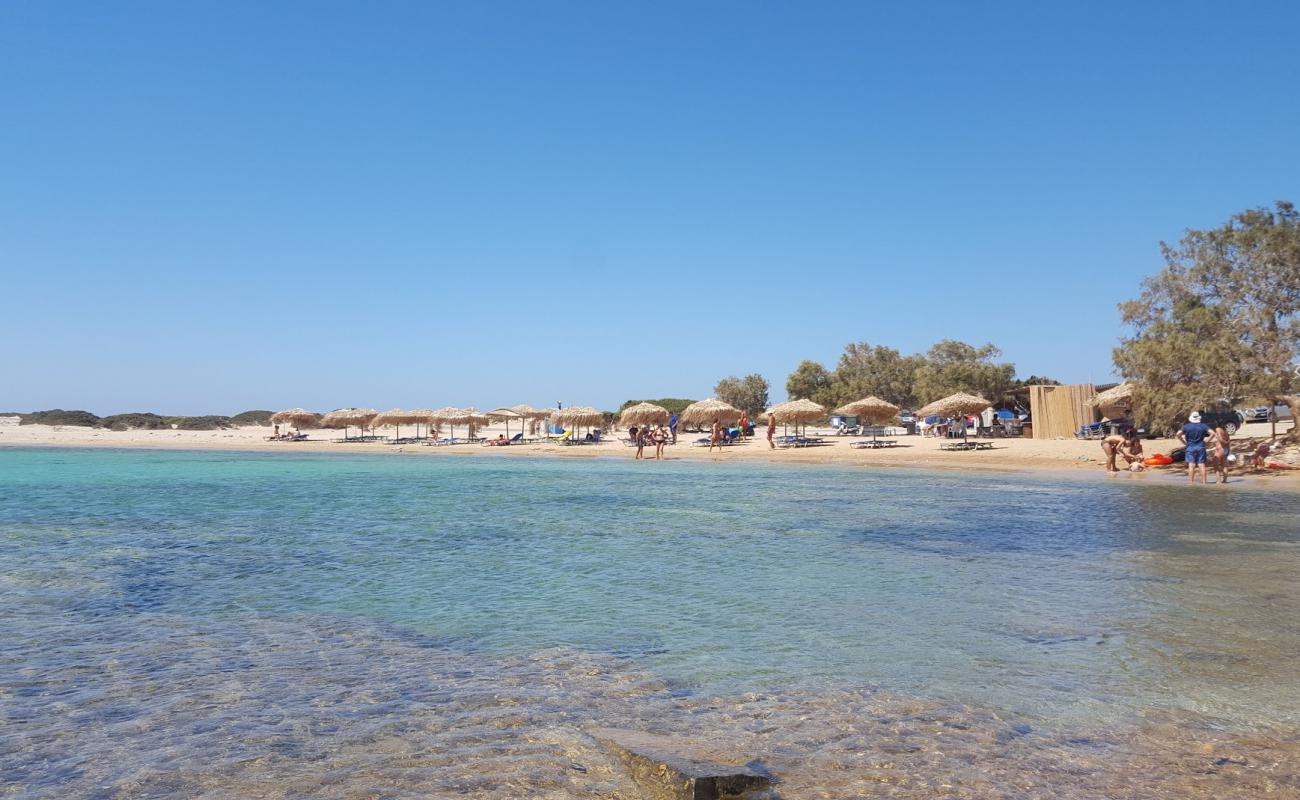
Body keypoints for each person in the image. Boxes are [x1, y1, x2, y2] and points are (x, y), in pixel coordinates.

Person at [1177, 411, 1211, 485]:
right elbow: (1213, 433)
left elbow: (1178, 434)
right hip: (1201, 447)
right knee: (1201, 465)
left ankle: (1191, 483)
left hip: (1190, 447)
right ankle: (1204, 483)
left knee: (1191, 465)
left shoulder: (1186, 426)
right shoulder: (1203, 426)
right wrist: (1207, 441)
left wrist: (1183, 441)